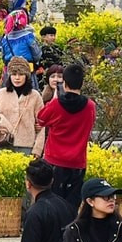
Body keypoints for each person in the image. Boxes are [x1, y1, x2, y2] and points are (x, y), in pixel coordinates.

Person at [37, 63, 96, 201]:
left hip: (55, 160)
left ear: (65, 83)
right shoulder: (90, 106)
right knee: (73, 203)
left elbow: (40, 119)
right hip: (78, 162)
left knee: (53, 202)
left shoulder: (56, 104)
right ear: (81, 83)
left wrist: (54, 99)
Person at [0, 57, 45, 155]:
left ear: (27, 76)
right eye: (14, 74)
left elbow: (42, 124)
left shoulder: (35, 96)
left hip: (26, 147)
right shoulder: (1, 94)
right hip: (2, 145)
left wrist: (37, 151)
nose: (17, 78)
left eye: (21, 74)